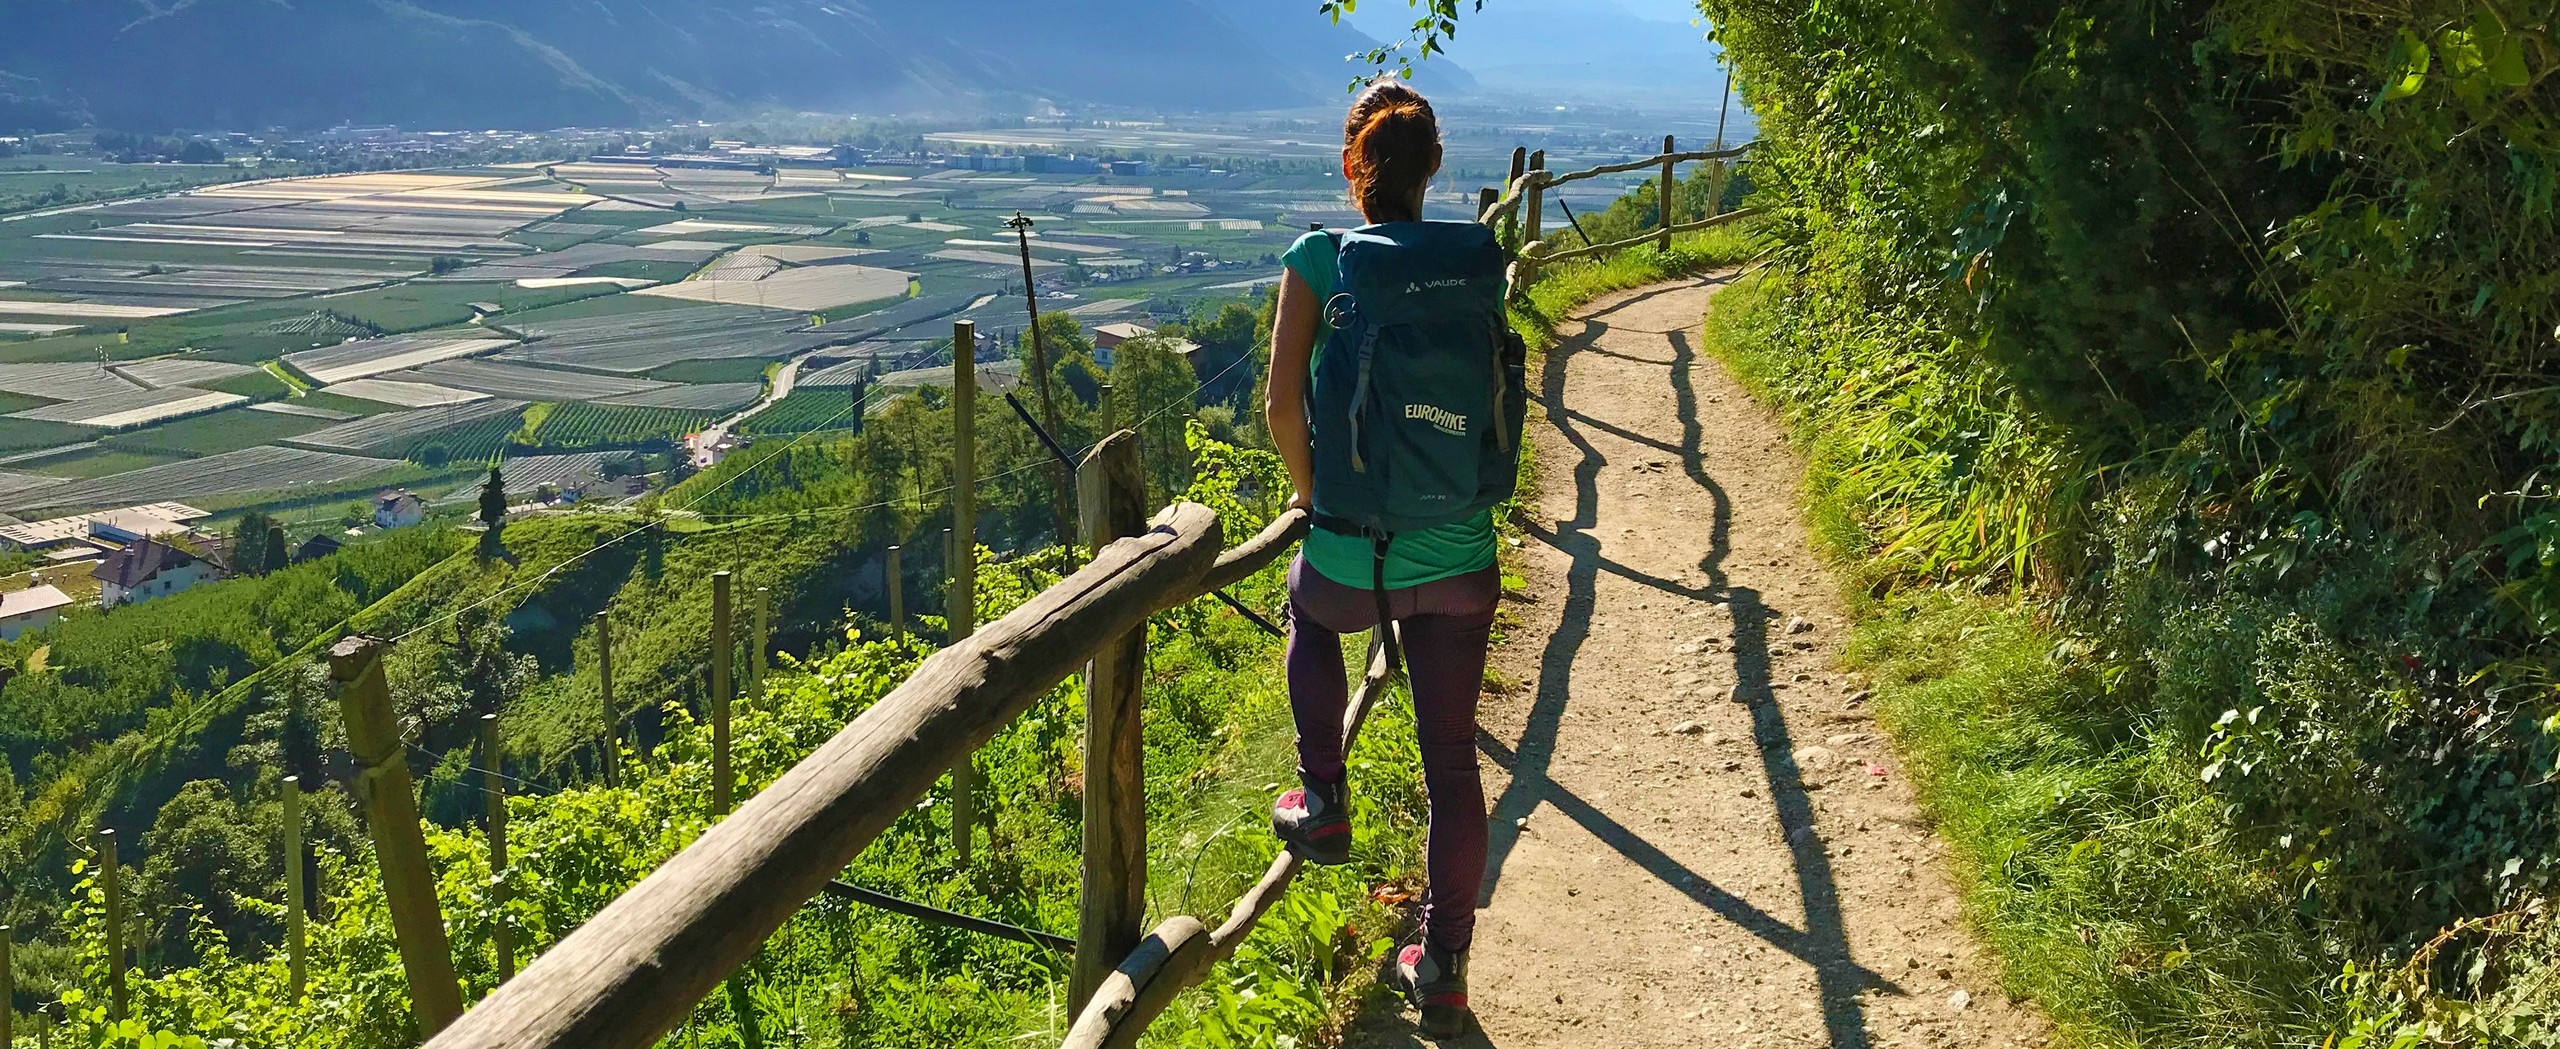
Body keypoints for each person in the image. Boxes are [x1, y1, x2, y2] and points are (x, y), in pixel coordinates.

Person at [1263, 78, 1503, 1039]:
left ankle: (1323, 795)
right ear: (1433, 166)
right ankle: (1444, 965)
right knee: (1452, 760)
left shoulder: (1322, 259)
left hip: (1353, 549)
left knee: (1308, 612)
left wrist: (1313, 494)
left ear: (1351, 164)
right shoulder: (1473, 259)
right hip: (1460, 552)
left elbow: (1284, 405)